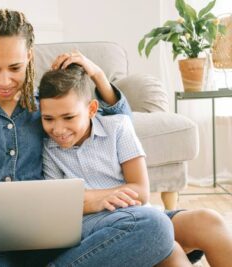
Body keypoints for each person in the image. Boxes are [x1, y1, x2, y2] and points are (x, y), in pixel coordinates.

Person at [0, 9, 175, 266]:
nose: (5, 80)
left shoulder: (46, 107)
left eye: (15, 67)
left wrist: (97, 74)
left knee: (153, 225)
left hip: (62, 240)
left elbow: (117, 125)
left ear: (30, 57)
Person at [39, 62, 232, 267]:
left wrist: (86, 198)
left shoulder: (118, 128)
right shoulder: (47, 148)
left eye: (69, 117)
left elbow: (140, 191)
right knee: (169, 248)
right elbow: (60, 205)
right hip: (94, 228)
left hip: (141, 215)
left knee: (208, 221)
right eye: (48, 119)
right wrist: (102, 198)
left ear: (92, 109)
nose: (58, 129)